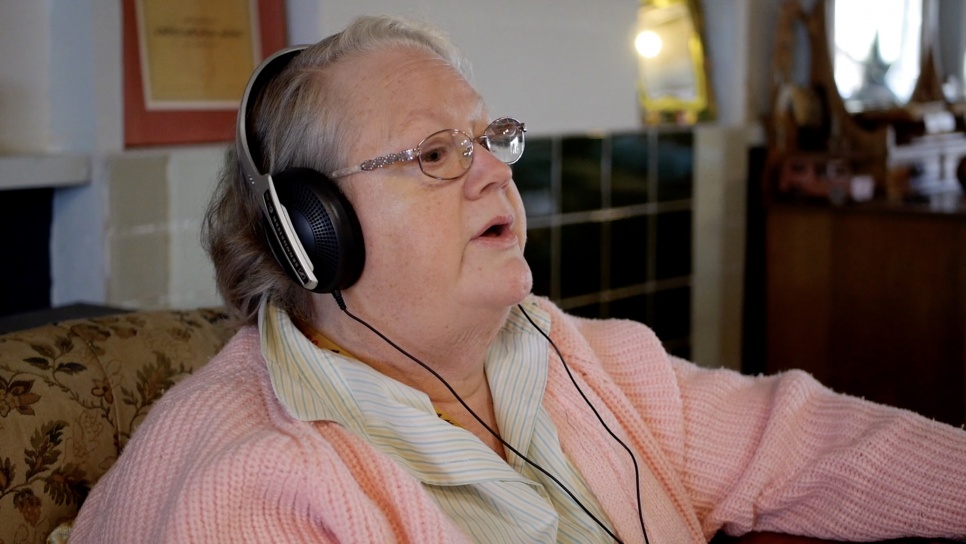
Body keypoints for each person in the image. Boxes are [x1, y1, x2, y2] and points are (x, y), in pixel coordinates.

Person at [70, 14, 966, 544]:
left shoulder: (579, 356)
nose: (495, 173)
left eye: (490, 138)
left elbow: (804, 441)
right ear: (316, 235)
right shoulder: (250, 483)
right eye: (432, 154)